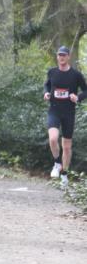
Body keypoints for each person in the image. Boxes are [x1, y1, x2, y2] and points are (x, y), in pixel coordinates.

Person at [43, 45, 86, 187]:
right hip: (54, 110)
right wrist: (46, 93)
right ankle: (57, 163)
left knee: (67, 147)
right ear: (57, 57)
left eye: (64, 55)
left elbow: (86, 91)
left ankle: (64, 174)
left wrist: (77, 97)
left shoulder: (76, 75)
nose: (61, 57)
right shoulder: (52, 72)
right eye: (59, 55)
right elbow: (47, 85)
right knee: (53, 139)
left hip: (68, 113)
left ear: (68, 57)